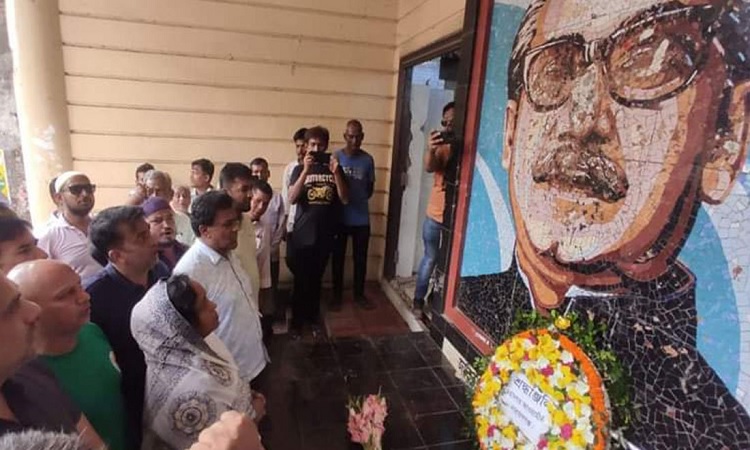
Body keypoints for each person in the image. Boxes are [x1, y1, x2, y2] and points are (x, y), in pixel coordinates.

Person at [458, 1, 750, 448]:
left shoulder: (714, 428)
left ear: (724, 141)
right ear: (512, 134)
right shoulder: (468, 302)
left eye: (648, 62)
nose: (582, 118)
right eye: (555, 71)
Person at [132, 275, 264, 449]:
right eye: (203, 305)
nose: (213, 305)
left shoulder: (197, 343)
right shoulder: (191, 398)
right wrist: (253, 417)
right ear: (181, 327)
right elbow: (229, 442)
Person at [8, 260, 127, 450]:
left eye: (79, 286)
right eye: (65, 295)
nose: (84, 297)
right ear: (33, 309)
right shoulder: (29, 378)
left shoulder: (91, 332)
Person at [85, 206, 168, 448]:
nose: (153, 240)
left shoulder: (160, 273)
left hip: (169, 394)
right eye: (142, 237)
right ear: (116, 256)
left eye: (148, 231)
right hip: (130, 408)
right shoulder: (93, 298)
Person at [173, 192, 268, 385]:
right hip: (229, 378)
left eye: (236, 222)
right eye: (227, 225)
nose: (235, 229)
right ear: (205, 230)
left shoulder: (228, 253)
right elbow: (188, 336)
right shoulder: (190, 272)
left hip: (253, 361)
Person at [288, 126, 349, 339]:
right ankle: (296, 323)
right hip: (302, 235)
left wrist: (336, 172)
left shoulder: (335, 169)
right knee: (300, 280)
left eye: (320, 145)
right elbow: (292, 198)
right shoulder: (298, 169)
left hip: (325, 234)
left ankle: (313, 319)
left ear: (326, 146)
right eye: (312, 145)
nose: (316, 149)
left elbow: (344, 198)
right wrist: (305, 171)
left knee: (316, 280)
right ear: (306, 146)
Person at [413, 102, 454, 318]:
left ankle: (433, 299)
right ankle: (418, 301)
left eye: (452, 123)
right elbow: (430, 167)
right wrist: (430, 148)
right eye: (444, 123)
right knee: (430, 258)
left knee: (448, 263)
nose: (447, 127)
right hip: (435, 215)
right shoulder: (442, 146)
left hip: (456, 219)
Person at [331, 119, 376, 310]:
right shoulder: (336, 157)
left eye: (358, 136)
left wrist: (359, 198)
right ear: (345, 136)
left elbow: (370, 188)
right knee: (338, 259)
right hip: (340, 218)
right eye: (351, 136)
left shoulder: (368, 160)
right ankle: (336, 297)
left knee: (360, 259)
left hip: (361, 219)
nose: (354, 140)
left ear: (362, 137)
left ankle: (359, 295)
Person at [36, 171, 103, 279]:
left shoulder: (102, 224)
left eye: (88, 188)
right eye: (76, 189)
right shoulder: (48, 235)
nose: (85, 194)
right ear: (59, 198)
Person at [219, 163, 261, 299]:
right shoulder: (216, 230)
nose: (250, 195)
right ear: (226, 192)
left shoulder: (247, 221)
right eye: (244, 189)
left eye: (251, 189)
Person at [247, 178, 273, 342]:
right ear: (249, 197)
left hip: (254, 288)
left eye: (265, 204)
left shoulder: (264, 227)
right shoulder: (235, 224)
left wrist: (263, 297)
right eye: (257, 201)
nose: (260, 207)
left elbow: (264, 263)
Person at [144, 169, 196, 245]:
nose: (154, 196)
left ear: (171, 194)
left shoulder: (185, 221)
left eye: (159, 191)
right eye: (150, 191)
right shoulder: (139, 223)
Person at [282, 127, 307, 274]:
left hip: (308, 223)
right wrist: (284, 223)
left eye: (303, 146)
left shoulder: (317, 168)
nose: (300, 150)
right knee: (291, 260)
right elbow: (286, 197)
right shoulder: (290, 168)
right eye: (297, 146)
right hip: (292, 222)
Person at [142, 196, 188, 273]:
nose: (166, 225)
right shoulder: (144, 260)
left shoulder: (187, 251)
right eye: (157, 221)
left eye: (170, 218)